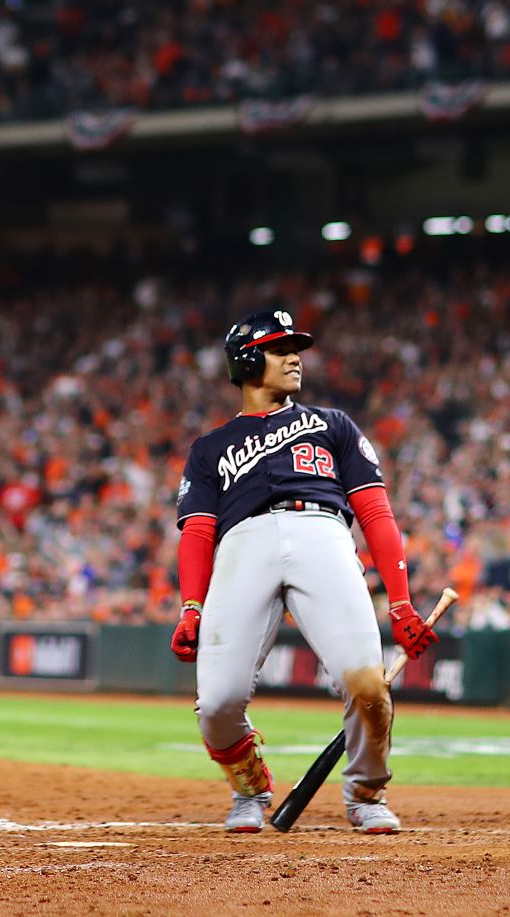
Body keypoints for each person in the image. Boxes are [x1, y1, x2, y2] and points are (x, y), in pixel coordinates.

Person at [170, 310, 438, 835]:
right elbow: (199, 533)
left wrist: (401, 602)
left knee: (367, 684)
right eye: (279, 348)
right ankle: (249, 789)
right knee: (218, 704)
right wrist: (191, 605)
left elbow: (377, 515)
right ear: (247, 359)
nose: (294, 357)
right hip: (242, 545)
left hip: (324, 533)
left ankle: (365, 791)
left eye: (295, 348)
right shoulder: (209, 449)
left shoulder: (334, 424)